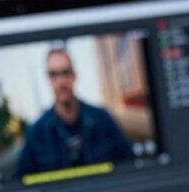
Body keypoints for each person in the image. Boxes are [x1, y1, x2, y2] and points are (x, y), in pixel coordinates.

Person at [13, 48, 135, 179]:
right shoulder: (36, 133)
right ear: (48, 80)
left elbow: (132, 164)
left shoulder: (102, 119)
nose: (61, 82)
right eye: (53, 75)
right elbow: (20, 184)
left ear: (74, 75)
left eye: (65, 73)